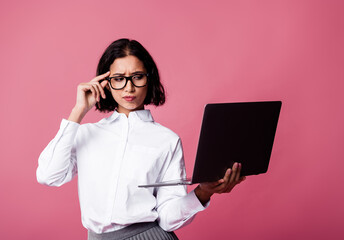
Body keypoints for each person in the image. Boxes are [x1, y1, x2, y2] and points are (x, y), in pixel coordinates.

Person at [36, 38, 246, 240]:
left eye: (137, 76)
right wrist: (78, 111)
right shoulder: (85, 134)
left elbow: (167, 219)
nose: (129, 88)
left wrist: (203, 192)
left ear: (149, 79)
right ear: (105, 83)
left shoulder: (167, 140)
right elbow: (49, 175)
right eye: (118, 78)